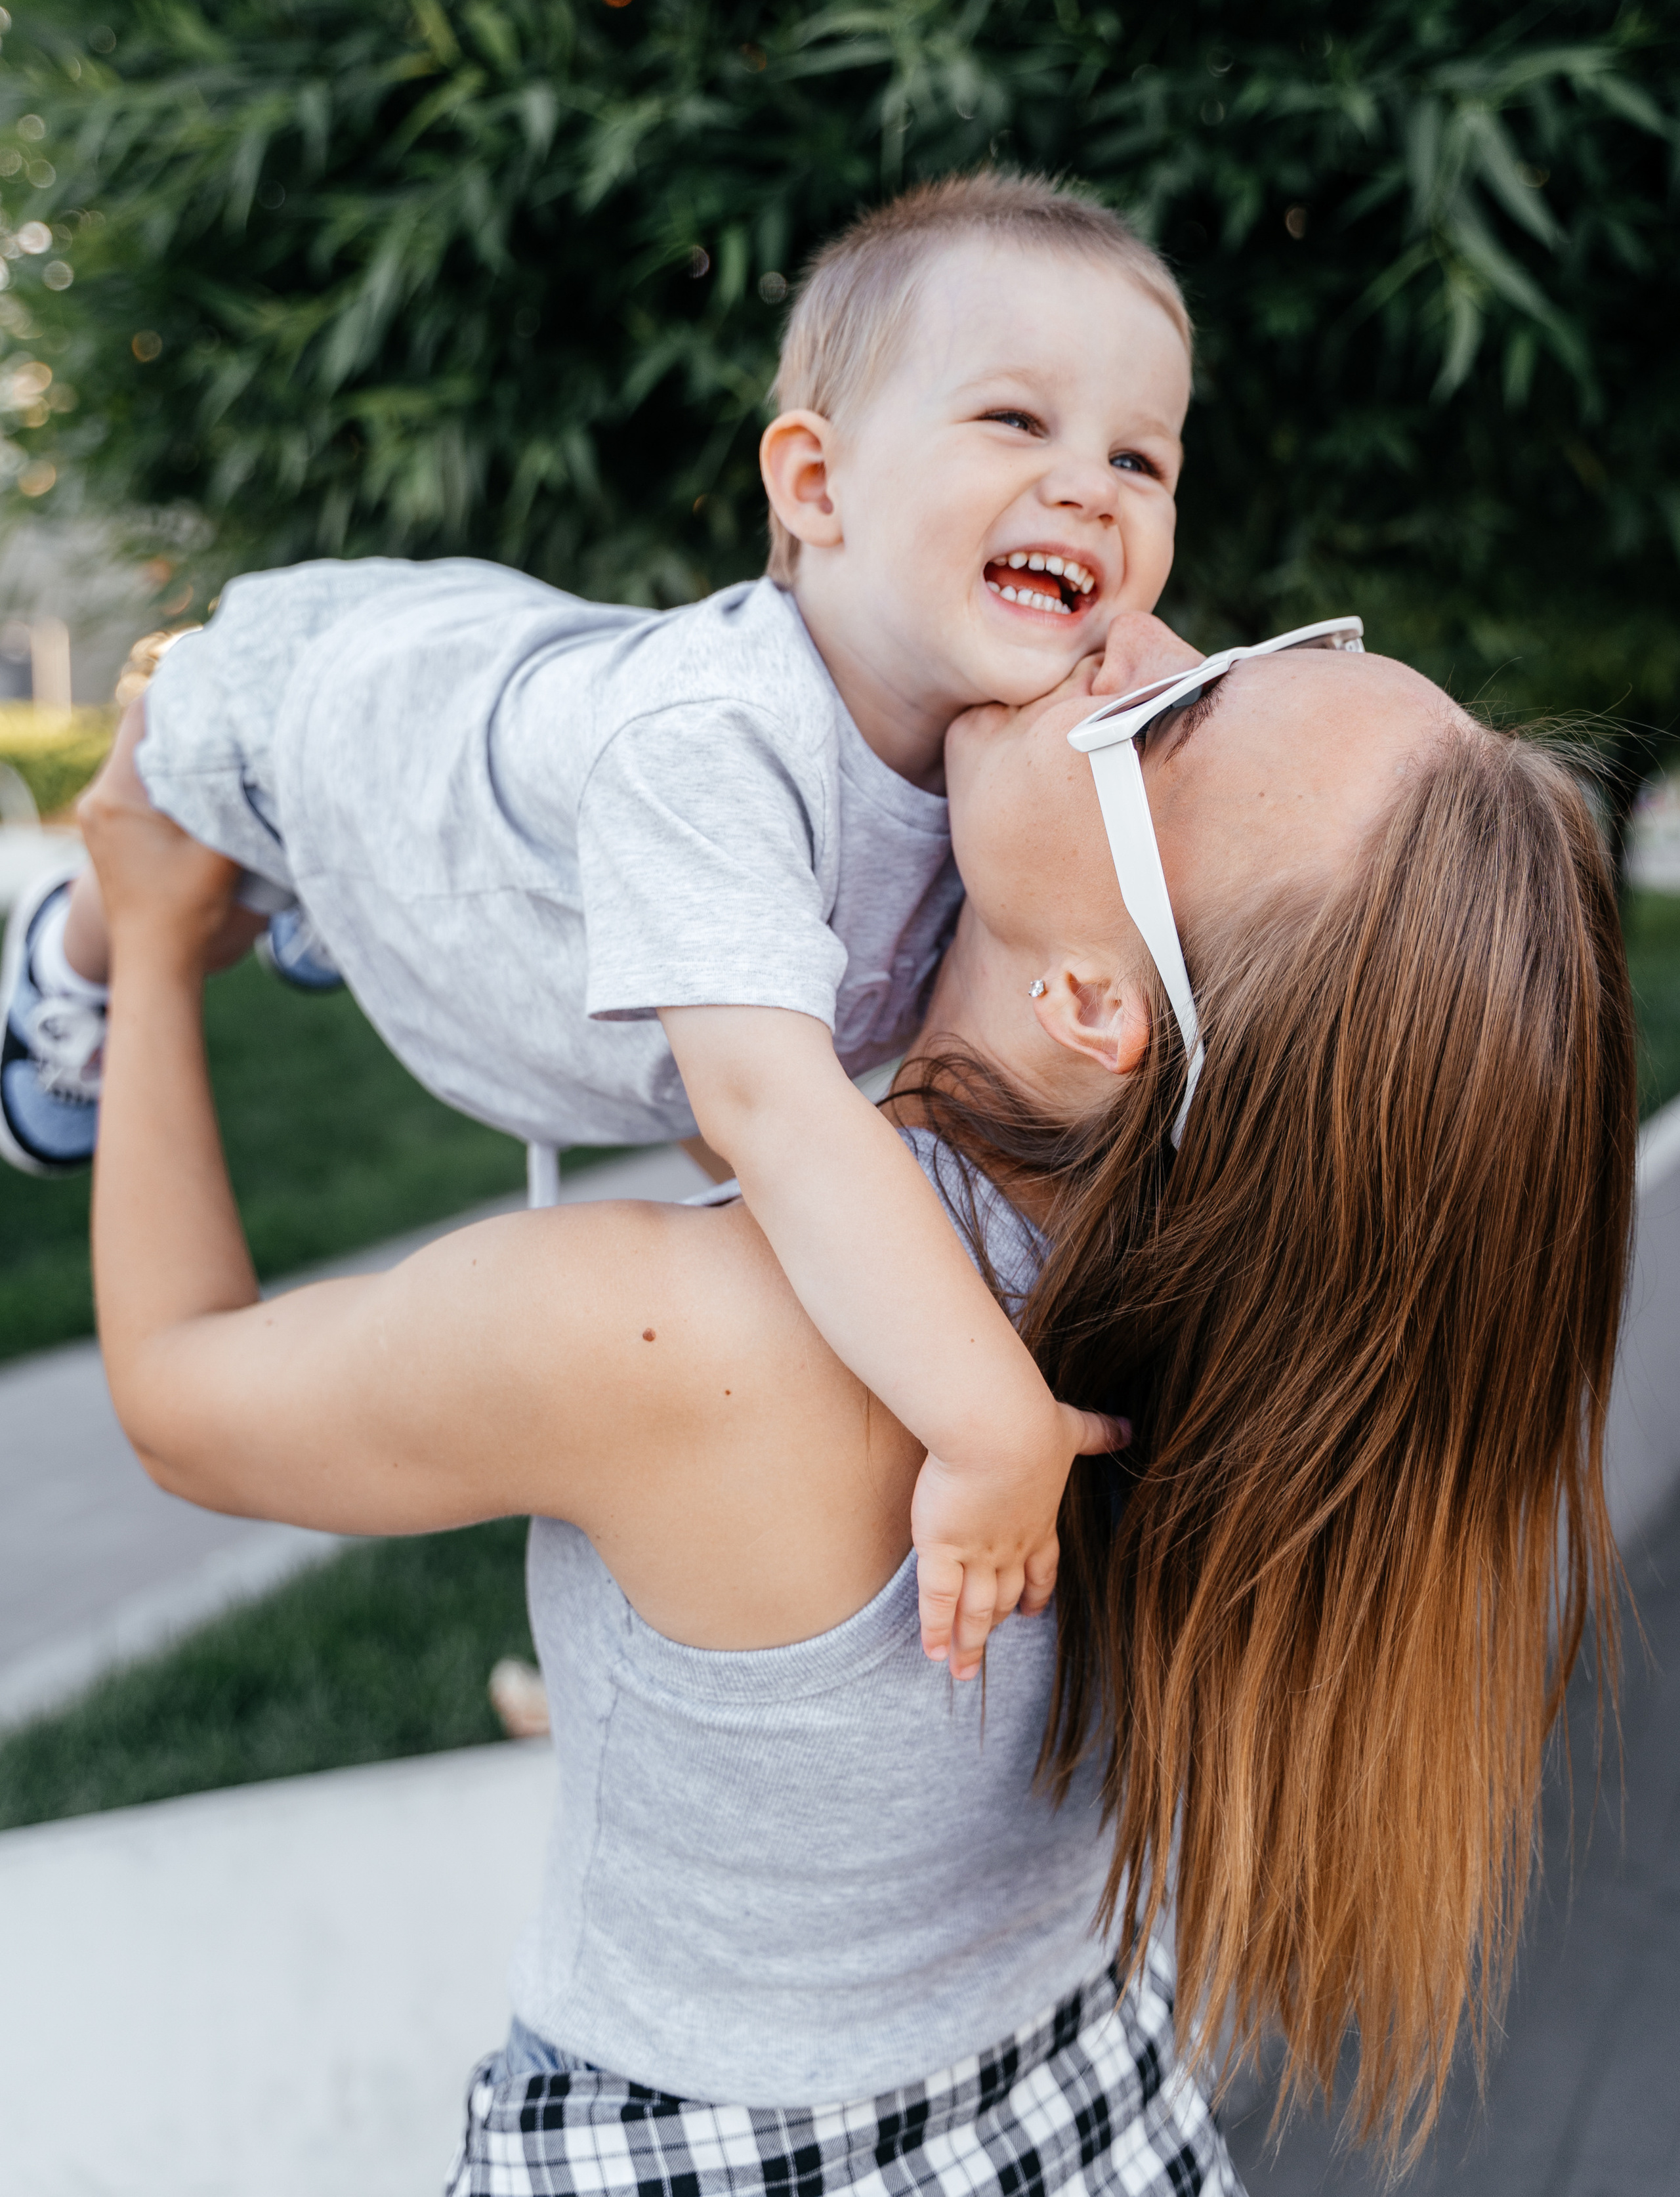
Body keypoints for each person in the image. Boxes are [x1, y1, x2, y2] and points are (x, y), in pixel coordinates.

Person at [81, 606, 1635, 2190]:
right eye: (1237, 640)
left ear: (1097, 1006)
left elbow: (174, 1397)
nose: (1129, 626)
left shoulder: (689, 1340)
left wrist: (141, 939)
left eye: (1169, 718)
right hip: (1083, 2116)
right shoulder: (1224, 1359)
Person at [0, 169, 1193, 1679]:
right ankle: (65, 984)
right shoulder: (715, 744)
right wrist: (986, 1416)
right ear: (814, 489)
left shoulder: (989, 743)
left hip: (511, 797)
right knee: (162, 858)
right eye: (1015, 423)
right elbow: (764, 1099)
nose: (1089, 484)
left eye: (1141, 458)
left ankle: (337, 922)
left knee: (481, 894)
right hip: (316, 729)